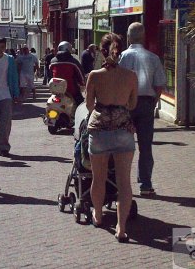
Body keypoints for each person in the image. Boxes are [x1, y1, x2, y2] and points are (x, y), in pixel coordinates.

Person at [86, 32, 138, 242]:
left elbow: (89, 105)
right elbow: (133, 105)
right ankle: (121, 228)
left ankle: (98, 215)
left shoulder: (95, 76)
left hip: (99, 131)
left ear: (102, 51)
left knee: (98, 178)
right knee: (124, 182)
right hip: (123, 130)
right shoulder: (130, 76)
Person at [119, 22, 167, 196]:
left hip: (125, 104)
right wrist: (153, 102)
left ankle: (121, 183)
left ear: (129, 37)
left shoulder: (123, 56)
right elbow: (160, 84)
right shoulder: (153, 58)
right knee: (145, 146)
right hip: (146, 103)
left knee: (122, 145)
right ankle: (145, 184)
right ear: (144, 36)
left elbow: (119, 82)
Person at [50, 41, 85, 106]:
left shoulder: (52, 61)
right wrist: (83, 83)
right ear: (69, 49)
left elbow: (50, 74)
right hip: (71, 89)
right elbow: (80, 74)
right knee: (81, 104)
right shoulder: (73, 61)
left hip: (56, 90)